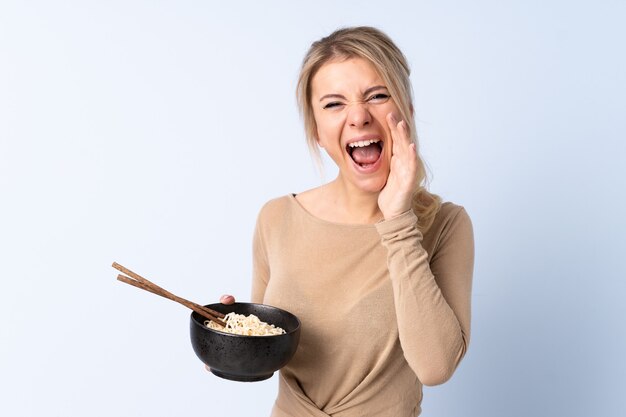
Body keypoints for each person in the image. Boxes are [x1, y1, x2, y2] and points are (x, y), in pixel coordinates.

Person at [219, 26, 474, 417]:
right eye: (334, 104)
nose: (358, 117)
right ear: (317, 130)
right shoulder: (277, 218)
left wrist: (399, 221)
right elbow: (269, 356)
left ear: (406, 109)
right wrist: (230, 345)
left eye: (377, 95)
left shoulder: (446, 225)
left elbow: (436, 366)